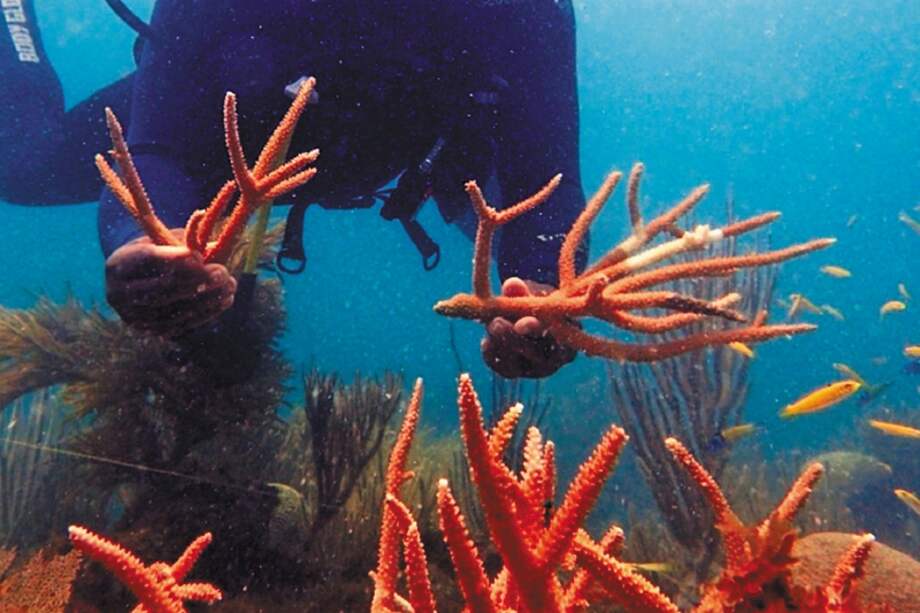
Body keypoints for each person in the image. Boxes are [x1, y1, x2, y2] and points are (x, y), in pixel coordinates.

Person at [0, 0, 586, 379]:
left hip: (422, 150)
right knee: (23, 168)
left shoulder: (525, 12)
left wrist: (542, 283)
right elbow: (157, 145)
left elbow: (548, 183)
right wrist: (145, 235)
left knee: (483, 201)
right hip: (214, 142)